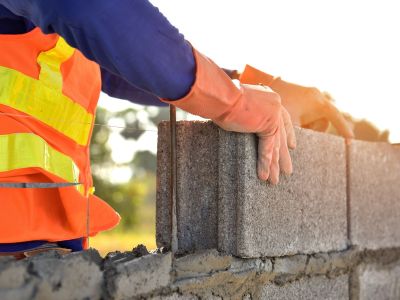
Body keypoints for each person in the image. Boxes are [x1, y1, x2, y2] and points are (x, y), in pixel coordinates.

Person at [0, 0, 353, 257]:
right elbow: (90, 11)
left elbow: (111, 59)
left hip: (41, 256)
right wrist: (234, 102)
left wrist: (248, 85)